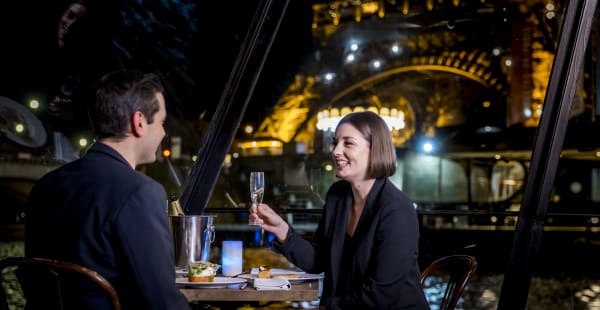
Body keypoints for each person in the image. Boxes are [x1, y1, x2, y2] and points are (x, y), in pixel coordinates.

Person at [25, 70, 191, 310]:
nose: (164, 132)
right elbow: (162, 303)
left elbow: (35, 281)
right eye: (162, 122)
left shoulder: (46, 185)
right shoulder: (141, 192)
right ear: (140, 122)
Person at [250, 111, 430, 309]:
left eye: (348, 143)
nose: (335, 151)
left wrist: (328, 308)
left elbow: (381, 296)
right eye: (335, 142)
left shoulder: (396, 209)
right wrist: (282, 230)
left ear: (375, 150)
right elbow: (319, 261)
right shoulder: (338, 195)